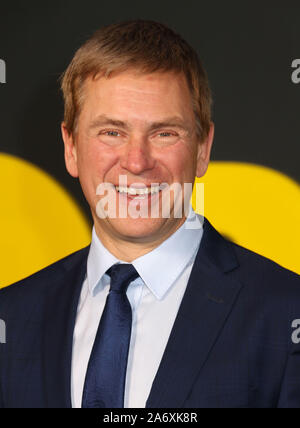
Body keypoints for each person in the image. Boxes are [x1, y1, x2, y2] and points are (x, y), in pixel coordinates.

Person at [0, 20, 300, 409]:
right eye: (111, 132)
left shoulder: (285, 314)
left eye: (164, 133)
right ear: (70, 147)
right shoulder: (12, 317)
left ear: (203, 148)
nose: (137, 162)